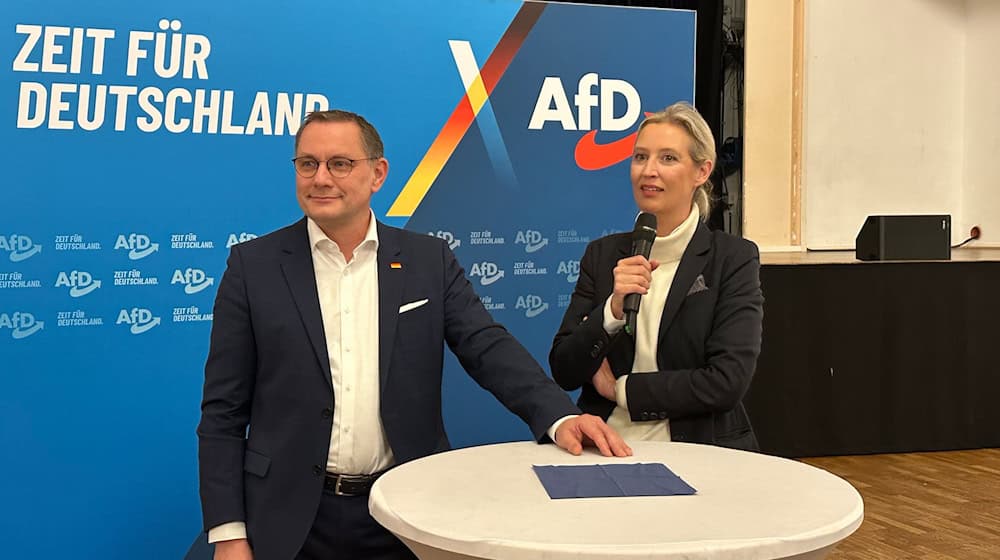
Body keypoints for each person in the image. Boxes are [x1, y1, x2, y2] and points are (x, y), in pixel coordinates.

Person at [198, 109, 631, 560]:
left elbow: (488, 348)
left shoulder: (428, 260)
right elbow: (223, 412)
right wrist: (229, 533)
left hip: (404, 508)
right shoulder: (253, 267)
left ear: (377, 173)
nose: (321, 177)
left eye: (340, 163)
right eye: (308, 163)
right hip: (290, 519)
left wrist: (559, 417)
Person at [549, 102, 763, 452]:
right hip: (604, 444)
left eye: (667, 158)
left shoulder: (733, 259)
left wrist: (621, 391)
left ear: (702, 171)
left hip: (699, 446)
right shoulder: (603, 255)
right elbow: (564, 369)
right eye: (640, 157)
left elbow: (726, 381)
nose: (648, 171)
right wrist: (611, 313)